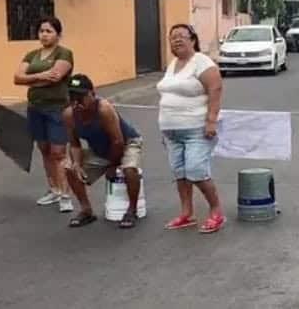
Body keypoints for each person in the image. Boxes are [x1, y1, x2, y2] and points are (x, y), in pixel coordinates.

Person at [157, 24, 225, 234]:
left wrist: (211, 120)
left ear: (193, 39)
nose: (176, 40)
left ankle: (216, 212)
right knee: (180, 174)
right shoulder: (173, 64)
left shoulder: (202, 62)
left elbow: (216, 88)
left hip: (196, 128)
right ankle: (187, 213)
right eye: (172, 37)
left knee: (196, 171)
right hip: (171, 131)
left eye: (181, 36)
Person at [63, 74, 144, 229]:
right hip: (100, 149)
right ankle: (86, 211)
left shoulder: (104, 109)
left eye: (80, 97)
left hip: (127, 143)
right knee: (69, 169)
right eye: (72, 96)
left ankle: (132, 210)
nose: (76, 102)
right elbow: (74, 144)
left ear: (92, 94)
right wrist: (77, 163)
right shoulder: (69, 115)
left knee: (129, 169)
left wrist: (113, 165)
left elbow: (118, 141)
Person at [13, 16, 74, 212]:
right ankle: (54, 189)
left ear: (58, 34)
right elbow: (17, 78)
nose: (44, 35)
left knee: (59, 153)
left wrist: (30, 80)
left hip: (57, 109)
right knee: (45, 150)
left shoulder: (64, 53)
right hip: (35, 108)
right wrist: (39, 76)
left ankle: (66, 194)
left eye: (49, 31)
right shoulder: (32, 55)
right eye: (41, 31)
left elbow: (56, 77)